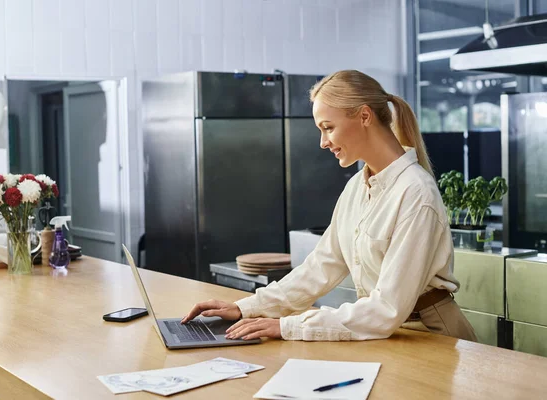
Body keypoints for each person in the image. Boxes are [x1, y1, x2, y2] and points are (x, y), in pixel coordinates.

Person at [182, 70, 477, 342]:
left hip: (429, 336)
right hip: (386, 333)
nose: (323, 142)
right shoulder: (356, 188)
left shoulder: (416, 192)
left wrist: (289, 327)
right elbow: (320, 267)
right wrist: (246, 307)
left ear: (364, 117)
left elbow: (387, 308)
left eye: (328, 127)